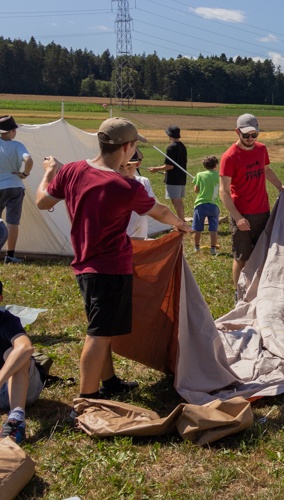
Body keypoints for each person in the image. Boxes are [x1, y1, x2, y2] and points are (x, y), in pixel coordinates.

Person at [35, 117, 192, 401]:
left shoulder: (71, 171)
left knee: (101, 330)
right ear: (127, 147)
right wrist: (180, 224)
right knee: (97, 335)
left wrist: (49, 172)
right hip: (110, 270)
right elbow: (158, 212)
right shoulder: (124, 187)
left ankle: (109, 382)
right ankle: (88, 398)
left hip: (84, 266)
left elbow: (42, 201)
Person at [219, 114, 284, 296]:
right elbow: (224, 191)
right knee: (242, 257)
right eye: (246, 135)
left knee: (262, 255)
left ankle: (260, 289)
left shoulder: (261, 149)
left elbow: (266, 169)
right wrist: (237, 217)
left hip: (262, 213)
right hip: (242, 215)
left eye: (254, 135)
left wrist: (280, 186)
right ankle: (239, 293)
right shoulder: (229, 157)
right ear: (237, 132)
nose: (250, 139)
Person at [0, 280, 43, 444]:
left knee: (16, 353)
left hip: (21, 389)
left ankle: (16, 420)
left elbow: (25, 348)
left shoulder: (7, 321)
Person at [0, 115, 33, 263]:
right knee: (13, 221)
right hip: (15, 185)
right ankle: (10, 255)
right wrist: (25, 174)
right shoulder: (18, 146)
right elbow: (29, 160)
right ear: (13, 131)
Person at [149, 125, 188, 221]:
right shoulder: (182, 146)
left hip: (174, 179)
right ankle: (181, 220)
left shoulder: (171, 148)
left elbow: (170, 166)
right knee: (178, 200)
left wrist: (156, 169)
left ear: (170, 135)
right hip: (182, 177)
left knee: (176, 200)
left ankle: (181, 222)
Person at [120, 148, 156, 240]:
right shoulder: (113, 184)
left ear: (137, 164)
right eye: (121, 167)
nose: (125, 172)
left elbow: (153, 207)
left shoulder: (143, 182)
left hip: (140, 235)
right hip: (121, 238)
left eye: (129, 167)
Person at [193, 155, 220, 255]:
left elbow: (196, 190)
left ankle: (196, 247)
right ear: (216, 165)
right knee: (213, 228)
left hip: (200, 204)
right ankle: (213, 249)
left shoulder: (199, 175)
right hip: (214, 205)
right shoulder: (219, 175)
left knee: (197, 228)